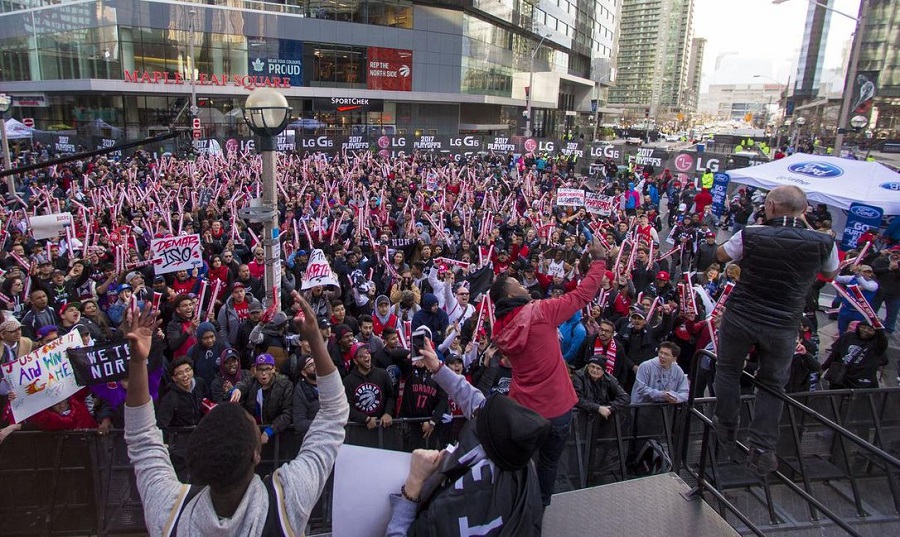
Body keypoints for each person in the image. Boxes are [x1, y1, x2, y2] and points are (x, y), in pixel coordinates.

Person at [123, 297, 348, 535]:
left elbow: (142, 439)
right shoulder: (288, 500)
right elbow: (334, 413)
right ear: (255, 455)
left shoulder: (169, 513)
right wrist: (315, 339)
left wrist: (137, 361)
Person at [714, 185, 838, 476]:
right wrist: (807, 228)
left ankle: (726, 427)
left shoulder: (751, 234)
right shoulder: (823, 242)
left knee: (729, 370)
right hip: (783, 323)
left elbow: (720, 255)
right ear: (805, 211)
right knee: (772, 384)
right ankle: (762, 447)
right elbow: (830, 274)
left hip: (743, 314)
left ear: (769, 207)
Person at [489, 235, 606, 506]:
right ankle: (539, 509)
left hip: (524, 410)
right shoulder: (541, 312)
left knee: (523, 463)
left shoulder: (499, 330)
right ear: (510, 295)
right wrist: (599, 261)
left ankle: (518, 506)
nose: (524, 286)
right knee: (550, 463)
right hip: (557, 408)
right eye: (518, 284)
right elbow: (583, 294)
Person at [385, 340, 547, 536]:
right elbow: (473, 399)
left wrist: (413, 486)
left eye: (480, 418)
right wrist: (438, 367)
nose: (476, 411)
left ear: (486, 439)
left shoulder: (455, 504)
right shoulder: (519, 463)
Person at [229, 353, 294, 445]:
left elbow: (287, 414)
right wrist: (236, 390)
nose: (263, 373)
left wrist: (269, 431)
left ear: (273, 369)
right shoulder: (252, 381)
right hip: (253, 432)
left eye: (267, 369)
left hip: (277, 434)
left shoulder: (285, 385)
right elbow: (242, 385)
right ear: (255, 371)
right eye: (260, 369)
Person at [343, 343, 395, 429]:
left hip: (383, 428)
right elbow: (347, 407)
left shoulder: (383, 374)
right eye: (361, 356)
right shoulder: (348, 381)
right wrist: (365, 419)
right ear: (355, 361)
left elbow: (391, 396)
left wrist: (388, 413)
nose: (366, 357)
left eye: (367, 353)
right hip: (360, 430)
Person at [822, 321, 888, 390]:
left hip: (860, 383)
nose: (865, 330)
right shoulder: (848, 336)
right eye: (863, 327)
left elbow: (883, 343)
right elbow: (834, 354)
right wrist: (823, 368)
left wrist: (878, 326)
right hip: (839, 378)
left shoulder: (877, 346)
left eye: (870, 330)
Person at [156, 358, 209, 428]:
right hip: (181, 435)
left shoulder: (200, 385)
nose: (185, 375)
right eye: (180, 373)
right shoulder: (169, 398)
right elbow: (162, 425)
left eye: (187, 370)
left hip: (200, 431)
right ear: (174, 378)